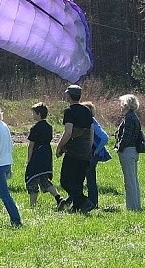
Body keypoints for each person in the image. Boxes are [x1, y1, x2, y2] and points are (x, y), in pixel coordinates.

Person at [56, 85, 95, 213]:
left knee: (65, 181)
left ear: (69, 95)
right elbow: (91, 132)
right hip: (86, 152)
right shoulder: (87, 111)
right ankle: (78, 207)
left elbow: (68, 132)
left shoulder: (69, 111)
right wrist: (89, 149)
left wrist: (59, 146)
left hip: (73, 152)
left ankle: (84, 202)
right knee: (78, 181)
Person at [24, 102, 64, 208]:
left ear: (39, 114)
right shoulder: (49, 127)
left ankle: (32, 205)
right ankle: (58, 198)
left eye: (34, 113)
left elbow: (31, 145)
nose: (32, 115)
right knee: (44, 179)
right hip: (47, 154)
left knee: (32, 179)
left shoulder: (35, 128)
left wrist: (29, 160)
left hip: (37, 155)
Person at [82, 101, 111, 209]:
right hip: (89, 153)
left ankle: (93, 202)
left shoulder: (92, 122)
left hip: (93, 154)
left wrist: (96, 151)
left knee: (90, 178)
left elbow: (105, 137)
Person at [115, 94, 142, 211]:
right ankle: (136, 205)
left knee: (129, 181)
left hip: (128, 151)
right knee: (133, 180)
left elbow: (126, 136)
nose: (120, 106)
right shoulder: (133, 116)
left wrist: (119, 148)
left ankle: (132, 208)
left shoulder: (129, 118)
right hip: (133, 151)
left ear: (126, 104)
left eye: (122, 104)